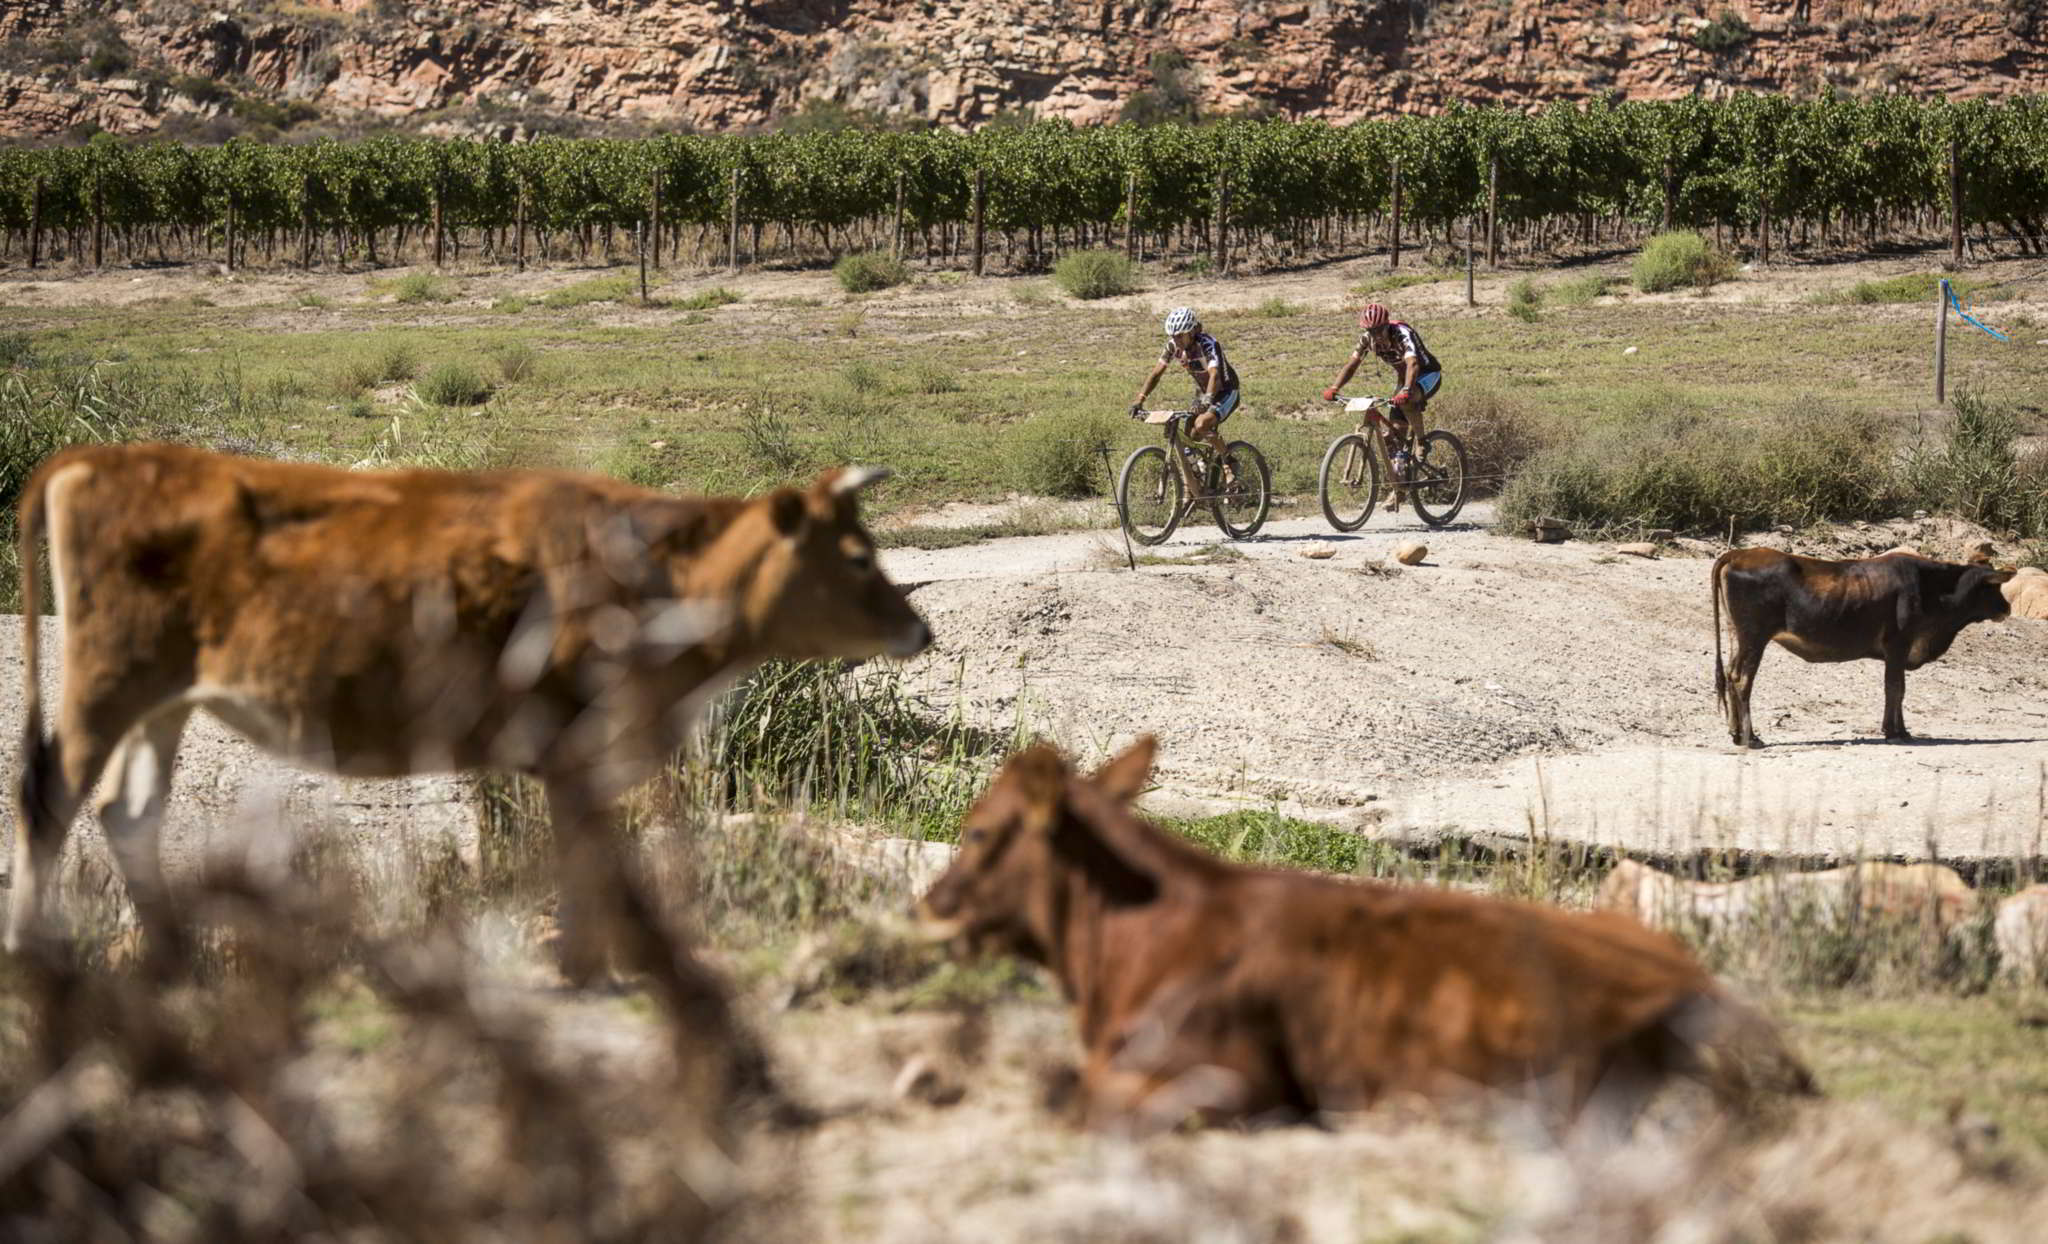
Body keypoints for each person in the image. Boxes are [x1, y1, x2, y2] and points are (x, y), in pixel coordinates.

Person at [1322, 303, 1442, 509]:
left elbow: (1413, 364)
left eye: (1378, 330)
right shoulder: (1367, 339)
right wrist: (1334, 387)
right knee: (1393, 437)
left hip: (1427, 374)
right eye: (1370, 331)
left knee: (1409, 399)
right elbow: (1352, 365)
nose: (1375, 335)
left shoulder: (1402, 333)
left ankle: (1422, 441)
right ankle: (1401, 486)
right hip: (1404, 378)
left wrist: (1405, 391)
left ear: (1387, 325)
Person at [1133, 307, 1239, 467]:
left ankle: (1228, 460)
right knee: (1189, 439)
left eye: (1180, 336)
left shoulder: (1208, 344)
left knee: (1201, 424)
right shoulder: (1172, 347)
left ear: (1190, 332)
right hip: (1203, 393)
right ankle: (1200, 472)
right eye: (1173, 337)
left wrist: (1207, 402)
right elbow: (1156, 374)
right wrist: (1139, 400)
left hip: (1226, 391)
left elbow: (1215, 375)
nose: (1176, 340)